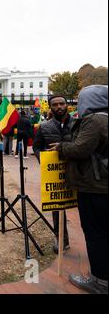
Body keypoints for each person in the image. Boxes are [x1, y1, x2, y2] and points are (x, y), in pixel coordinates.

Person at [50, 85, 108, 294]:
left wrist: (61, 147)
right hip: (102, 183)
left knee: (96, 234)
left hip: (95, 186)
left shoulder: (94, 120)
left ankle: (100, 280)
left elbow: (82, 148)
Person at [32, 95, 73, 254]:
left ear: (67, 105)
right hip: (55, 174)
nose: (59, 107)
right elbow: (36, 147)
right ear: (50, 107)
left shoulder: (79, 124)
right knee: (57, 207)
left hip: (78, 172)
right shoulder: (44, 127)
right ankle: (61, 238)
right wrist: (44, 159)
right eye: (55, 105)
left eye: (62, 103)